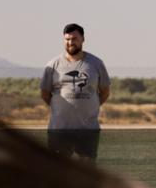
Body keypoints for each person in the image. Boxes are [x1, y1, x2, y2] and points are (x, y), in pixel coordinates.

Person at [40, 23, 110, 161]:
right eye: (67, 39)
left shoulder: (96, 64)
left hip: (88, 131)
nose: (70, 42)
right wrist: (61, 108)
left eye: (74, 39)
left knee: (87, 172)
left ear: (83, 39)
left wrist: (90, 106)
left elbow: (105, 91)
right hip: (59, 130)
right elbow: (45, 94)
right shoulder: (52, 65)